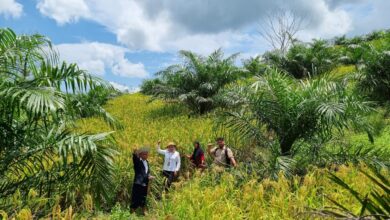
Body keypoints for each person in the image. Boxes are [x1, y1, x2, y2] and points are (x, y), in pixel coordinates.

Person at [130, 147, 154, 215]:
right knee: (136, 197)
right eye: (144, 154)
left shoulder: (147, 162)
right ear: (140, 155)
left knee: (143, 197)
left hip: (145, 183)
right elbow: (134, 157)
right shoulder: (137, 161)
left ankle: (144, 210)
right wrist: (135, 152)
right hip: (138, 182)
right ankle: (133, 211)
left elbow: (146, 172)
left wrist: (149, 176)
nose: (146, 155)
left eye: (146, 154)